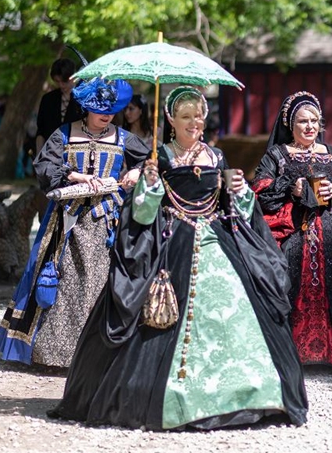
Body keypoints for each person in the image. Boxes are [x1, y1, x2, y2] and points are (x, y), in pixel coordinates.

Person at [48, 86, 308, 430]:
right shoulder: (161, 158)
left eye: (198, 116)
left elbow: (235, 211)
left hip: (218, 242)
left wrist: (241, 193)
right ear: (171, 119)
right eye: (186, 117)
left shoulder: (216, 157)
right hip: (170, 246)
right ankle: (169, 397)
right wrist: (149, 189)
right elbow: (141, 216)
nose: (194, 123)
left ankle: (250, 395)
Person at [0, 77, 148, 367]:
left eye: (112, 109)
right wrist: (76, 175)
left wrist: (138, 172)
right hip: (66, 222)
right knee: (59, 277)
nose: (107, 114)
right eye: (100, 108)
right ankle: (53, 353)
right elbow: (45, 167)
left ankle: (99, 356)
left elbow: (149, 161)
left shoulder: (123, 138)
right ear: (87, 108)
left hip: (107, 222)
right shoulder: (64, 134)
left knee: (101, 282)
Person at [252, 91, 332, 372]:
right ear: (290, 125)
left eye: (315, 120)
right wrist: (290, 188)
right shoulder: (277, 155)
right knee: (290, 286)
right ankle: (288, 353)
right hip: (292, 235)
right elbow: (259, 190)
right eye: (303, 121)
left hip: (330, 233)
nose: (310, 126)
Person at [36, 58, 83, 155]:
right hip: (50, 155)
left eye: (65, 81)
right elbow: (41, 131)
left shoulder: (83, 99)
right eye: (57, 81)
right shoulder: (48, 99)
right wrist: (39, 155)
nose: (61, 85)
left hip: (75, 155)